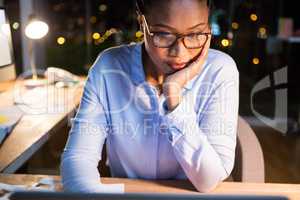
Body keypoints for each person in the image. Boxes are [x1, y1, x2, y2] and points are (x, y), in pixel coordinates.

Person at [61, 0, 239, 193]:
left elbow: (208, 180)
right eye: (163, 34)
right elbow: (78, 159)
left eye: (196, 34)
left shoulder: (220, 70)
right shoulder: (109, 66)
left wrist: (174, 97)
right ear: (141, 22)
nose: (179, 52)